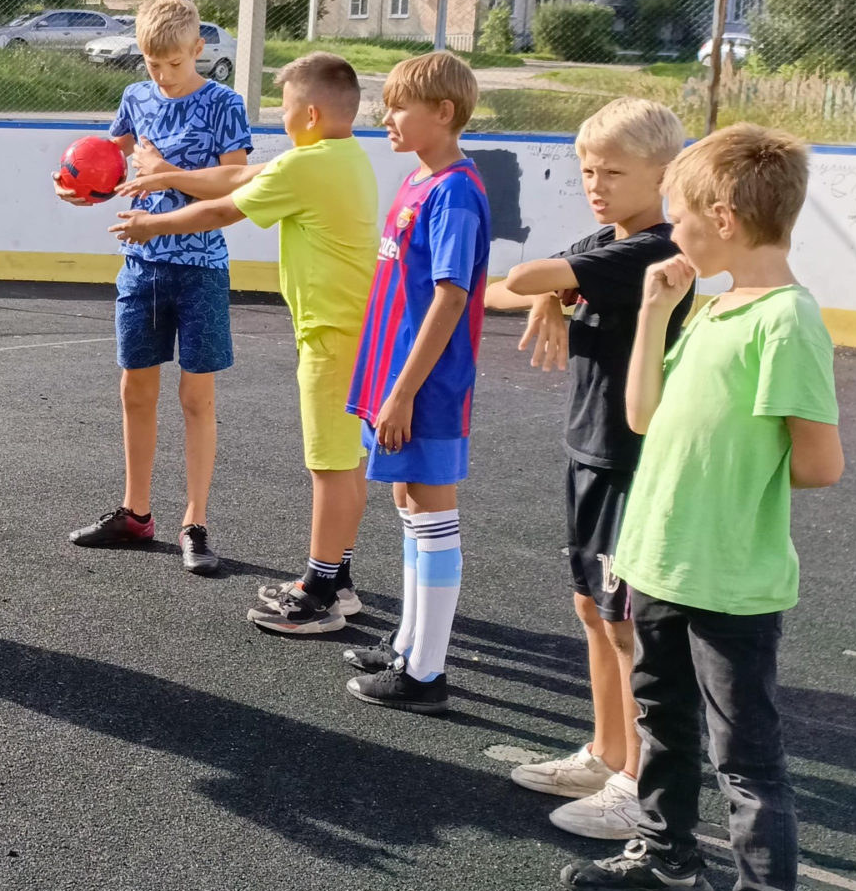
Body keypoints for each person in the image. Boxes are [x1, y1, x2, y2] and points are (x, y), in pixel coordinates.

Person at [564, 125, 842, 891]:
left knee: (749, 766)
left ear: (723, 218)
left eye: (680, 216)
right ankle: (668, 859)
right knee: (663, 724)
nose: (670, 232)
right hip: (659, 564)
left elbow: (818, 464)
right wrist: (652, 311)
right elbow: (640, 413)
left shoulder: (786, 320)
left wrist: (732, 474)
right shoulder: (710, 308)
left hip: (730, 581)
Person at [111, 50, 381, 627]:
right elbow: (235, 175)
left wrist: (148, 223)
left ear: (308, 114)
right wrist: (163, 174)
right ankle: (342, 579)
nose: (279, 119)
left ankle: (320, 592)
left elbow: (221, 210)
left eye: (284, 108)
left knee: (330, 469)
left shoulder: (304, 166)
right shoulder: (342, 156)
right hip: (355, 332)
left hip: (332, 337)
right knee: (347, 464)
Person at [483, 98, 688, 838]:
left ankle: (641, 782)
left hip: (634, 460)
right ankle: (606, 752)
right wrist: (547, 293)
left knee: (626, 623)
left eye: (613, 172)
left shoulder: (656, 251)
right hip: (589, 450)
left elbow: (532, 271)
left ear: (664, 175)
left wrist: (552, 288)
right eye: (588, 170)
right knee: (590, 609)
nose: (595, 184)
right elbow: (512, 288)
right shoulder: (607, 239)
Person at [59, 0, 254, 574]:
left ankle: (194, 522)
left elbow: (234, 185)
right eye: (151, 63)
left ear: (198, 49)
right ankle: (135, 512)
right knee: (135, 391)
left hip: (201, 272)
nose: (162, 75)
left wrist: (165, 172)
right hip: (139, 267)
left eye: (173, 62)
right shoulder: (136, 97)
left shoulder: (224, 104)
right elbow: (106, 157)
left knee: (196, 398)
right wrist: (73, 180)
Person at [341, 51, 491, 713]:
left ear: (444, 112)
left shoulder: (455, 190)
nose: (386, 116)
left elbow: (451, 297)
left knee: (431, 509)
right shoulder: (418, 182)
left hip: (424, 386)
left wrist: (403, 390)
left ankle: (426, 673)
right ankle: (408, 646)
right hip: (396, 379)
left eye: (399, 106)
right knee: (409, 501)